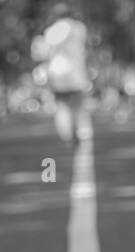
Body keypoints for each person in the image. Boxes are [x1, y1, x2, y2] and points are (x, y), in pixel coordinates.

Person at [35, 3, 90, 145]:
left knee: (62, 107)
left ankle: (67, 135)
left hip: (58, 74)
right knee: (77, 106)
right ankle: (78, 130)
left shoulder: (51, 31)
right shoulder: (79, 28)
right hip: (76, 74)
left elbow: (43, 53)